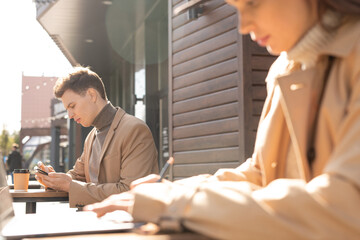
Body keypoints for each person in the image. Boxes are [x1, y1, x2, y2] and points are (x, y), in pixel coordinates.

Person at [85, 0, 360, 239]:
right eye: (235, 7)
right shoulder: (286, 68)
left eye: (252, 2)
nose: (243, 24)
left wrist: (180, 202)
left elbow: (344, 209)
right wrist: (176, 191)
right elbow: (262, 174)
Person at [35, 66, 159, 208]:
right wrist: (54, 180)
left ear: (92, 95)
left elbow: (130, 192)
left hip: (125, 225)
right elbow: (76, 176)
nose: (69, 115)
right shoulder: (92, 136)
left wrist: (69, 185)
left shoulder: (135, 130)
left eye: (72, 106)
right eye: (67, 109)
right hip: (98, 220)